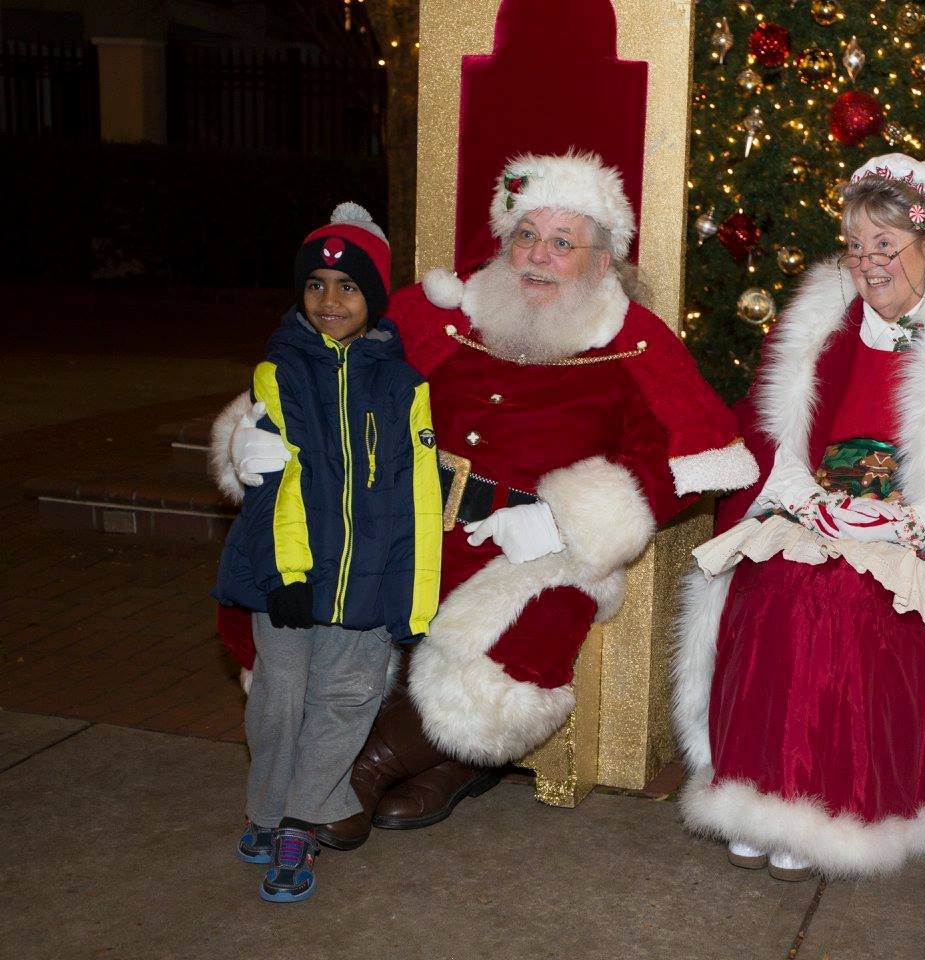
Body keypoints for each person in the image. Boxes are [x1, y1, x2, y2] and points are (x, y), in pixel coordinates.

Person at [214, 151, 758, 848]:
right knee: (310, 599)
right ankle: (431, 767)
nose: (538, 256)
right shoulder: (444, 311)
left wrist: (564, 519)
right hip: (397, 516)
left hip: (532, 545)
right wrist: (257, 438)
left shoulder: (635, 343)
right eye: (526, 235)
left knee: (512, 645)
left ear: (601, 261)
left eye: (563, 243)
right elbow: (323, 362)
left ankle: (366, 768)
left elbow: (684, 460)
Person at [671, 153, 925, 881]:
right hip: (816, 512)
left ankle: (830, 808)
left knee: (846, 603)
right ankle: (757, 793)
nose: (867, 263)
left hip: (916, 534)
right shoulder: (817, 324)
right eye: (855, 245)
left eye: (885, 245)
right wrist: (800, 494)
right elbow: (767, 427)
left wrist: (915, 520)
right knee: (772, 584)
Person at [214, 203, 442, 902]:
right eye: (314, 285)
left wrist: (417, 596)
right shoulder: (278, 373)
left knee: (344, 701)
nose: (329, 300)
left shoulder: (405, 388)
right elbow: (277, 485)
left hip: (370, 589)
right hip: (289, 577)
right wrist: (287, 572)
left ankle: (300, 826)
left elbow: (420, 499)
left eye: (346, 287)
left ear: (373, 297)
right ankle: (265, 808)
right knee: (280, 700)